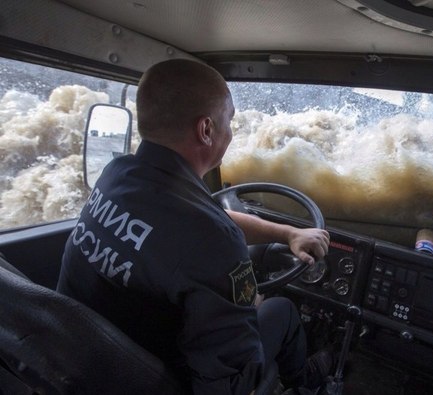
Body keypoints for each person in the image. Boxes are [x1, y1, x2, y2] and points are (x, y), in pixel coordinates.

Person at [57, 59, 331, 394]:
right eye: (229, 121)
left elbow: (203, 223)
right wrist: (246, 306)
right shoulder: (211, 240)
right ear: (206, 130)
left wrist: (288, 233)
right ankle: (306, 383)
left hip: (83, 362)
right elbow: (228, 382)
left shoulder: (117, 175)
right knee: (283, 311)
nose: (231, 131)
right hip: (159, 380)